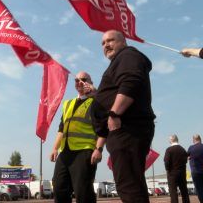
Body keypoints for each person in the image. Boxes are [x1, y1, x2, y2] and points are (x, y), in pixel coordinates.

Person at [91, 30, 155, 203]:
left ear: (123, 41)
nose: (106, 45)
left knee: (129, 185)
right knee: (130, 183)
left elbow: (131, 82)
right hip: (120, 130)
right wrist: (99, 145)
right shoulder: (119, 61)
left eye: (110, 40)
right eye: (103, 43)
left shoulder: (127, 55)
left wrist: (114, 113)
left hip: (127, 128)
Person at [50, 71, 106, 203]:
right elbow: (61, 128)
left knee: (83, 191)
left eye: (84, 79)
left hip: (85, 151)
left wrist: (99, 149)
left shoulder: (96, 102)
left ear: (90, 83)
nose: (79, 82)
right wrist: (54, 148)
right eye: (76, 80)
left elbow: (104, 127)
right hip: (65, 152)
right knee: (59, 188)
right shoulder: (67, 104)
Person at [164, 134, 190, 203]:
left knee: (173, 192)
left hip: (172, 173)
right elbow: (186, 160)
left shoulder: (169, 150)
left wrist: (168, 170)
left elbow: (166, 162)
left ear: (171, 140)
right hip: (182, 172)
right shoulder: (182, 149)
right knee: (184, 191)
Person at [188, 134, 203, 203]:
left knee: (199, 189)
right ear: (200, 139)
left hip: (195, 171)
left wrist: (190, 157)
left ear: (193, 140)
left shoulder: (191, 148)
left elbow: (186, 157)